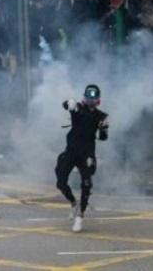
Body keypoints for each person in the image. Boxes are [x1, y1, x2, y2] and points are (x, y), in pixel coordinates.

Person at [56, 84, 109, 233]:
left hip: (86, 153)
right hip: (71, 151)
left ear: (98, 100)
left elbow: (103, 138)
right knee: (60, 181)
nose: (90, 101)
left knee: (86, 183)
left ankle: (80, 215)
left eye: (94, 99)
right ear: (84, 98)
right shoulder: (77, 108)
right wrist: (69, 103)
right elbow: (66, 105)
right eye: (88, 98)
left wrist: (103, 128)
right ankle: (73, 202)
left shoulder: (101, 116)